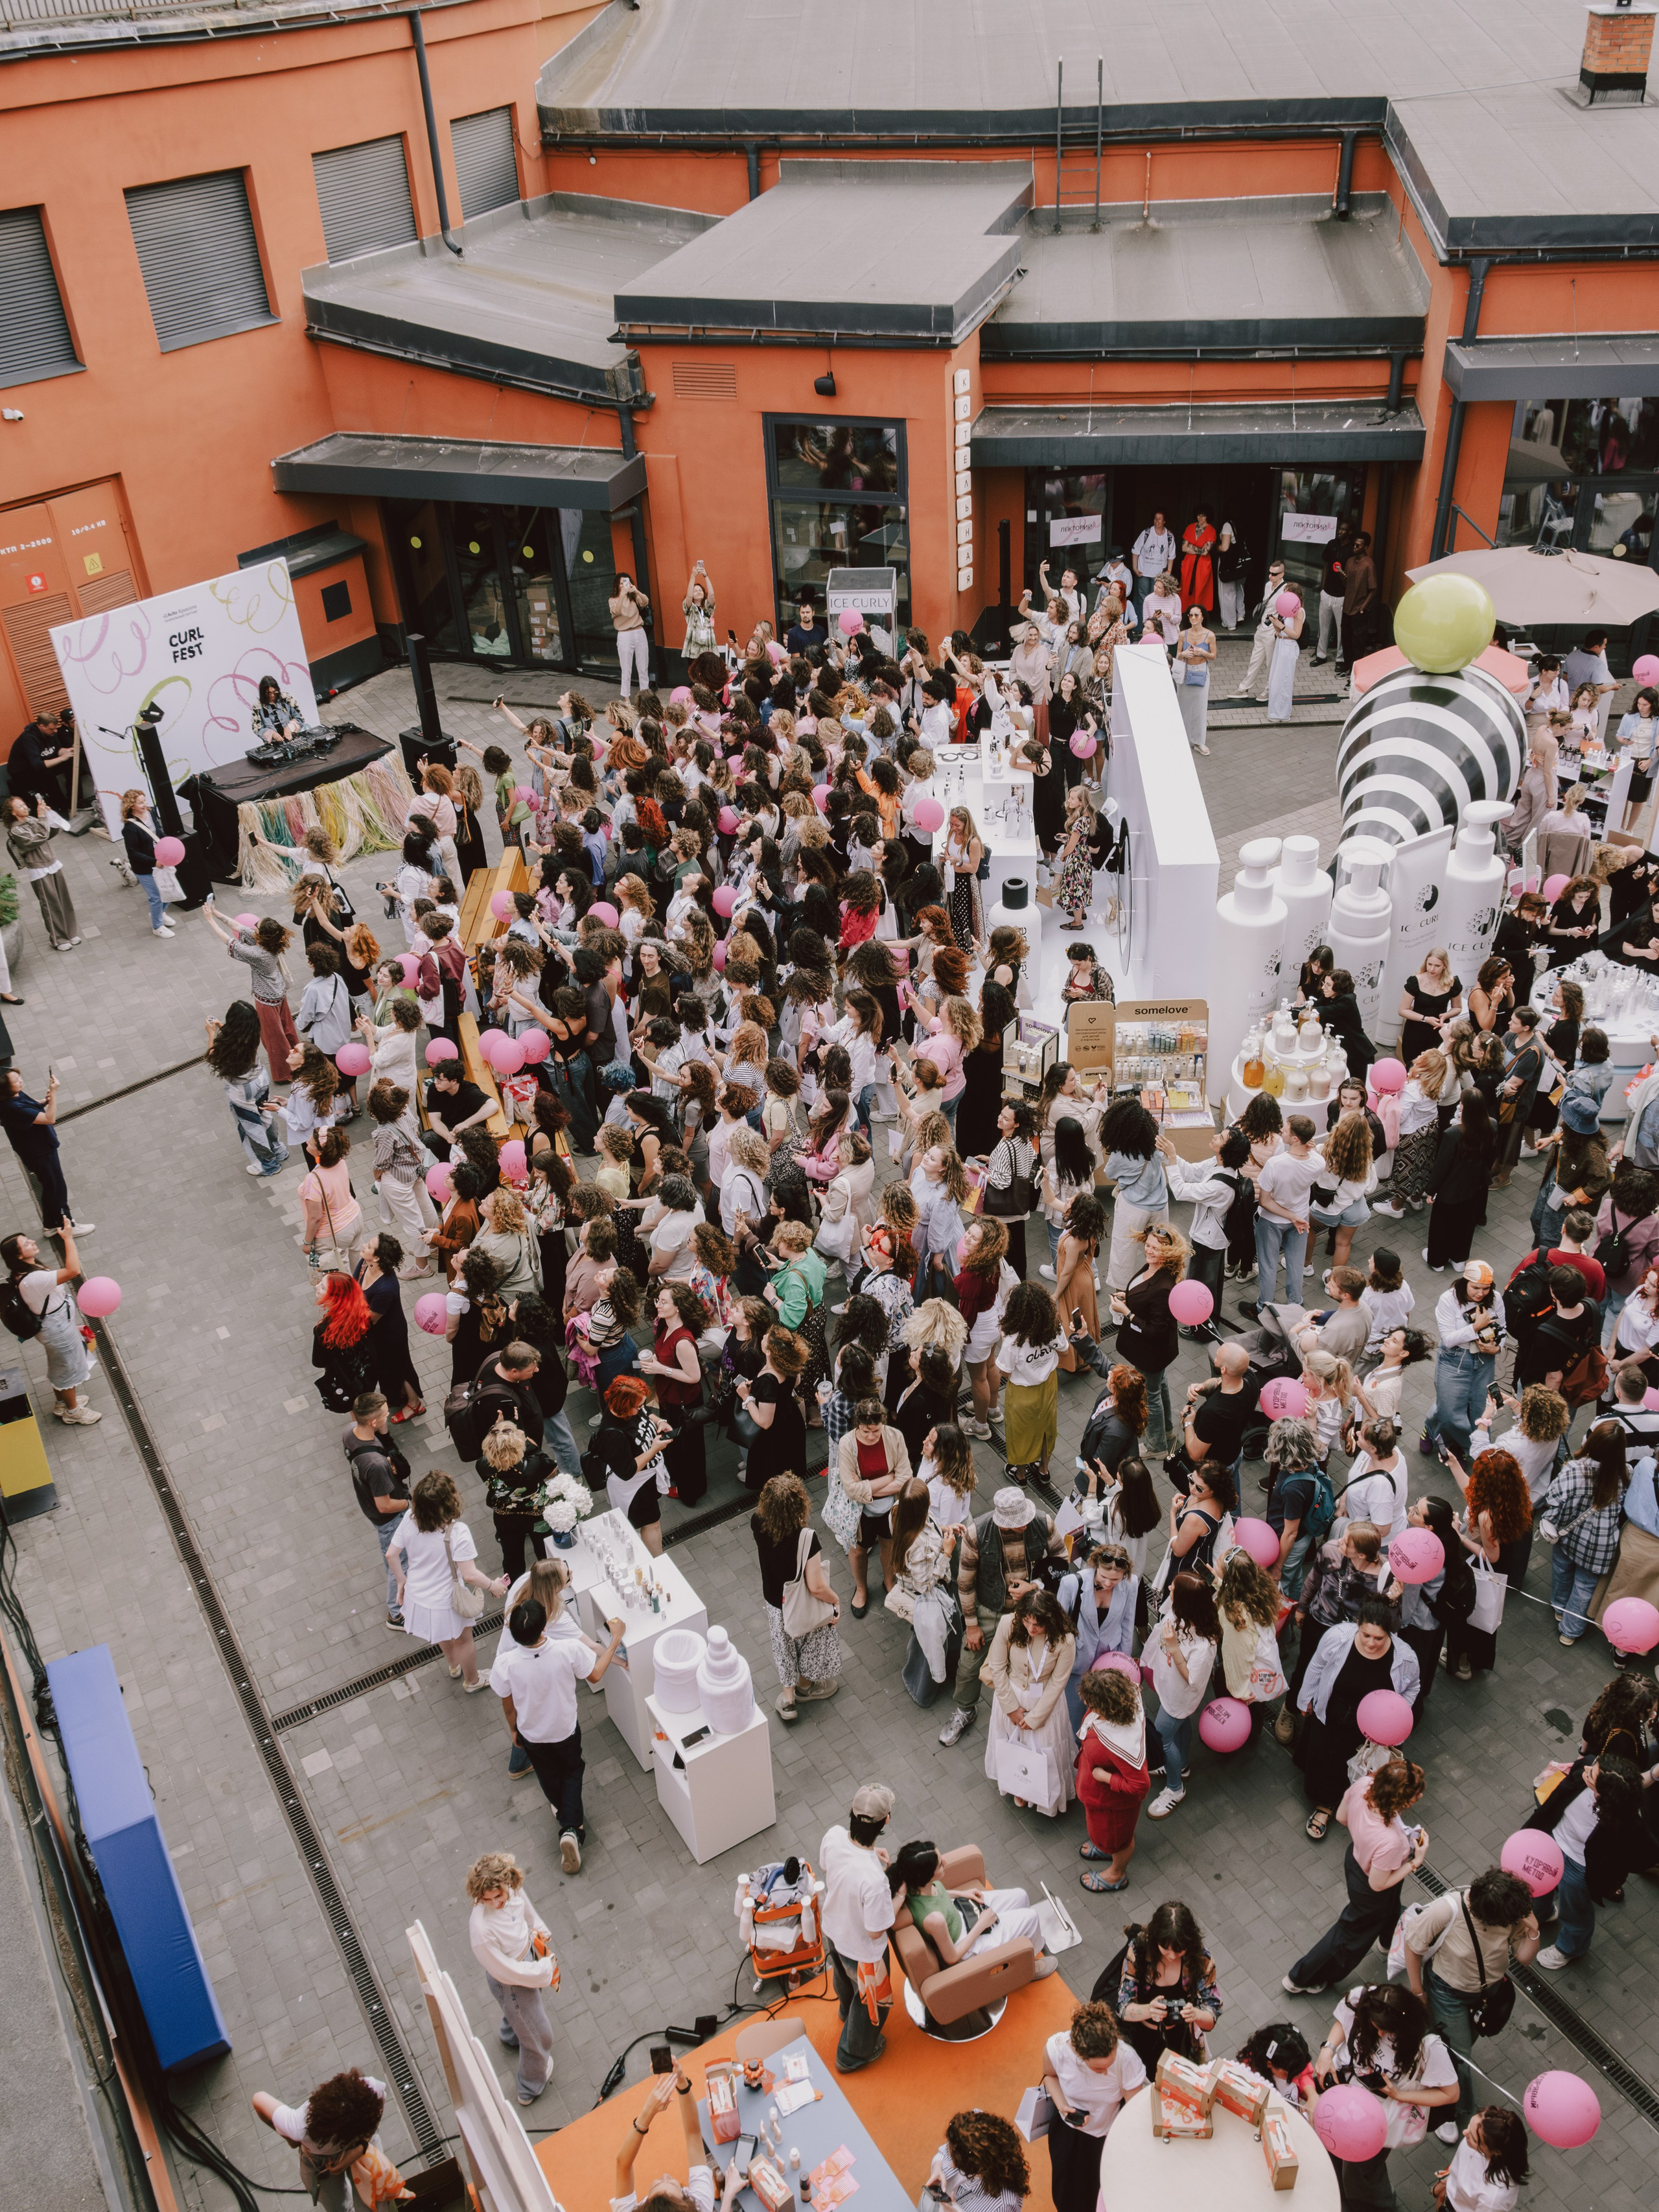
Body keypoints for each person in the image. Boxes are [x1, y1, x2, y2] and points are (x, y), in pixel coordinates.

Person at [1401, 1869, 1540, 2140]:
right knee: (1462, 2057)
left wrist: (1533, 1931)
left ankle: (1438, 2067)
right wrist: (1418, 1992)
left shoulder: (1511, 1911)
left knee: (1459, 2047)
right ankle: (1456, 2112)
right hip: (1447, 1993)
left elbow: (1524, 1958)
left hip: (1487, 1993)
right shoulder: (1447, 1911)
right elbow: (1413, 1945)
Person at [491, 1594, 623, 1876]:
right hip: (564, 1730)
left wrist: (514, 1730)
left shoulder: (506, 1664)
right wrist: (614, 1642)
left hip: (532, 1735)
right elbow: (596, 1675)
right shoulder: (568, 1650)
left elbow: (507, 1702)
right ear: (543, 1629)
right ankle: (571, 1829)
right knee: (573, 1771)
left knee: (547, 1775)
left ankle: (565, 1815)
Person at [1283, 1757, 1429, 1995]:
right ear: (1398, 1800)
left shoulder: (1363, 1786)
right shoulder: (1390, 1841)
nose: (1419, 1797)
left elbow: (1342, 1817)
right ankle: (1300, 1977)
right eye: (1414, 1796)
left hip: (1356, 1861)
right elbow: (1378, 1884)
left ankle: (1387, 1941)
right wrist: (1415, 1862)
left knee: (1392, 1907)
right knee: (1349, 1937)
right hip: (1372, 1889)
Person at [1308, 1984, 1459, 2206]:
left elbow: (1451, 2094)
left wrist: (1399, 2095)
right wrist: (1327, 2050)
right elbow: (1345, 2018)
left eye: (1387, 2031)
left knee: (1361, 2171)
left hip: (1375, 2117)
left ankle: (1376, 2204)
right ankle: (1338, 2190)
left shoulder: (1427, 2045)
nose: (1379, 2034)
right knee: (1331, 2147)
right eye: (1375, 2026)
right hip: (1342, 2094)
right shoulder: (1365, 1997)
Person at [940, 1486, 1056, 1749]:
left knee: (1032, 1668)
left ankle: (1031, 1715)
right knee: (969, 1664)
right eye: (1018, 1524)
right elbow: (965, 1584)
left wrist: (1035, 1585)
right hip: (989, 1611)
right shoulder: (976, 1534)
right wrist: (971, 1626)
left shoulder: (1043, 1523)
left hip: (1030, 1612)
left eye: (1025, 1520)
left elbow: (1061, 1559)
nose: (1025, 1526)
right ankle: (965, 1710)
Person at [1295, 1599, 1421, 1841]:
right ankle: (1324, 1805)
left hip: (1370, 1730)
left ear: (1390, 1635)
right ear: (1357, 1625)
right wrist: (1305, 1699)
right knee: (1324, 1760)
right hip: (1331, 1714)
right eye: (1366, 1636)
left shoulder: (1405, 1658)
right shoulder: (1337, 1637)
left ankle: (1354, 1803)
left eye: (1379, 1638)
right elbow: (1316, 1667)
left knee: (1362, 1770)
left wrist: (1396, 1713)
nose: (1371, 1643)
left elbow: (1413, 1687)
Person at [388, 1470, 507, 1690]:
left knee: (443, 1635)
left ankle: (454, 1666)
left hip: (419, 1598)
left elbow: (391, 1555)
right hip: (447, 1602)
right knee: (463, 1640)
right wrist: (494, 1586)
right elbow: (470, 1574)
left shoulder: (410, 1519)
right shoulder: (458, 1532)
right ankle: (472, 1680)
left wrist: (401, 1581)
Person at [1527, 1752, 1648, 1968]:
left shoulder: (1624, 1822)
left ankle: (1570, 1949)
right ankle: (1542, 1914)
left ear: (1604, 1792)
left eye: (1591, 1775)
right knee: (1539, 1885)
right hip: (1551, 1841)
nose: (1585, 1770)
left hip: (1579, 1868)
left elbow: (1639, 1856)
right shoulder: (1587, 1765)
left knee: (1575, 1913)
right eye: (1592, 1767)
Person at [465, 1850, 558, 2107]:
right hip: (512, 1982)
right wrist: (541, 1972)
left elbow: (525, 1908)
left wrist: (538, 1929)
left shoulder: (512, 1890)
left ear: (508, 1882)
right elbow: (504, 1971)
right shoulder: (482, 1930)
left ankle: (511, 2035)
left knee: (521, 2017)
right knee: (541, 2035)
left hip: (526, 1958)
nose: (496, 1902)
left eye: (499, 1895)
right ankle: (529, 2087)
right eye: (488, 1899)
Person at [1040, 1999, 1147, 2212]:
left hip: (1108, 2138)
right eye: (1099, 2070)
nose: (1106, 2073)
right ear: (1079, 2055)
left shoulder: (1126, 2059)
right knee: (1068, 2195)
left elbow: (1133, 2111)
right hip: (1069, 2135)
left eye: (1110, 2063)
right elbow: (1049, 2077)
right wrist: (1062, 2106)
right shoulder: (1057, 2049)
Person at [751, 1471, 842, 1721]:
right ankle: (806, 1687)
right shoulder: (807, 1538)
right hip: (800, 1604)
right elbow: (815, 1586)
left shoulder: (757, 1522)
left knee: (784, 1648)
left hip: (774, 1602)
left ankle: (788, 1700)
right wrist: (835, 1600)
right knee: (809, 1643)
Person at [820, 1784, 898, 2073]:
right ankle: (853, 2054)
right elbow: (876, 1931)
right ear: (885, 1821)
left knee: (842, 1977)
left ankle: (844, 2012)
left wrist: (871, 1854)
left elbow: (831, 1864)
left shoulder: (833, 1835)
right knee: (871, 2005)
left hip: (832, 1929)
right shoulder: (876, 1882)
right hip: (864, 1953)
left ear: (852, 1814)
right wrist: (896, 1895)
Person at [982, 1587, 1077, 1817]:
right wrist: (1011, 1708)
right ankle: (1019, 1785)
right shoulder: (1009, 1623)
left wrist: (1035, 1718)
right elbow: (997, 1667)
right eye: (1027, 1622)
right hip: (1011, 1695)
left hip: (1045, 1702)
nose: (1031, 1629)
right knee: (1013, 1742)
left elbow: (1057, 1684)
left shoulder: (1066, 1640)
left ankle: (1044, 1792)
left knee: (1046, 1746)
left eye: (1038, 1625)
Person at [250, 2069, 395, 2212]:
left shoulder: (366, 2090)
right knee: (338, 2209)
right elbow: (259, 2099)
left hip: (363, 2147)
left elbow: (378, 2111)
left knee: (375, 2205)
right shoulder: (298, 2126)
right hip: (322, 2164)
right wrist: (290, 2138)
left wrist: (358, 2149)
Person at [1, 1225, 99, 1424]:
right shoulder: (34, 1279)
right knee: (69, 1370)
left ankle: (63, 1403)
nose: (33, 1242)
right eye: (27, 1244)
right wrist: (68, 1239)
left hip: (57, 1326)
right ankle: (73, 1412)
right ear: (19, 1256)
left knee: (60, 1367)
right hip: (57, 1330)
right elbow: (73, 1270)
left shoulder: (25, 1271)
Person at [1541, 1423, 1628, 1645]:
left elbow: (1552, 1497)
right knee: (1585, 1587)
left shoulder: (1575, 1469)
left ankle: (1559, 1608)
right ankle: (1570, 1631)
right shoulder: (1626, 1473)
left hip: (1569, 1535)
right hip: (1601, 1546)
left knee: (1562, 1571)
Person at [1109, 1902, 1223, 2069]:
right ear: (1155, 1939)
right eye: (1165, 1948)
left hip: (1179, 2039)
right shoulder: (1140, 1951)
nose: (1172, 1956)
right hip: (1138, 2036)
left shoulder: (1200, 1959)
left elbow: (1212, 2016)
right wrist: (1149, 2010)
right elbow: (1123, 2008)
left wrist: (1196, 2014)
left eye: (1179, 1950)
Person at [608, 2057, 731, 2212]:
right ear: (686, 2203)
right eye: (672, 2183)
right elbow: (693, 2134)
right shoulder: (700, 2204)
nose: (666, 2175)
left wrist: (648, 2112)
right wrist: (681, 2084)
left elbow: (623, 2164)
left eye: (657, 2184)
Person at [1145, 1571, 1219, 1820]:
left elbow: (1193, 1679)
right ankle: (1183, 1765)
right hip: (1168, 1689)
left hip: (1179, 1698)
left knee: (1161, 1739)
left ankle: (1175, 1788)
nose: (1169, 1589)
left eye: (1174, 1589)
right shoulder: (1180, 1613)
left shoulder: (1205, 1643)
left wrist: (1175, 1648)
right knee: (1180, 1727)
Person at [1076, 1662, 1150, 1894]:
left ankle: (1117, 1873)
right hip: (1098, 1798)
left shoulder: (1120, 1741)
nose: (1087, 1704)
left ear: (1107, 1705)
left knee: (1121, 1841)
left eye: (1091, 1702)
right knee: (1105, 1837)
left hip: (1113, 1808)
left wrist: (1106, 1777)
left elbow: (1140, 1786)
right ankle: (1104, 1846)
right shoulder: (1122, 1702)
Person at [343, 1390, 411, 1629]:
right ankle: (396, 1614)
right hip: (390, 1519)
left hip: (370, 1507)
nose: (388, 1417)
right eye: (384, 1415)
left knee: (396, 1559)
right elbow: (385, 1505)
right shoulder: (376, 1464)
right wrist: (409, 1504)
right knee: (397, 1564)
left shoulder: (349, 1432)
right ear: (373, 1422)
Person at [0, 1069, 89, 1239]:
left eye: (19, 1077)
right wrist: (54, 1093)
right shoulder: (11, 1108)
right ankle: (67, 1226)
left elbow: (32, 1106)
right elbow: (49, 1119)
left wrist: (45, 1101)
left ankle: (50, 1225)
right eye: (16, 1080)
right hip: (39, 1152)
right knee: (57, 1188)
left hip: (39, 1149)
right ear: (5, 1089)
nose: (21, 1081)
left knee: (50, 1186)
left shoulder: (13, 1096)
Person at [919, 2109, 1035, 2212]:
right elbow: (944, 2151)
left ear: (980, 2167)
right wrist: (937, 2168)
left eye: (958, 2163)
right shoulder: (970, 2133)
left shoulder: (1003, 2205)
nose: (952, 2165)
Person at [3, 795, 79, 951]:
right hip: (39, 869)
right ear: (13, 813)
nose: (24, 807)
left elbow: (49, 834)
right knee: (51, 905)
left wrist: (50, 818)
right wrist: (43, 817)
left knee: (65, 900)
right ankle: (58, 939)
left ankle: (70, 933)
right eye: (20, 806)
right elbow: (38, 838)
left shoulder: (31, 820)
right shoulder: (16, 830)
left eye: (24, 804)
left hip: (52, 862)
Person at [1437, 2108, 1530, 2212]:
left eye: (1473, 2138)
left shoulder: (1495, 2197)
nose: (1464, 2132)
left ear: (1496, 2151)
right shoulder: (1479, 2133)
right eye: (1469, 2126)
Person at [119, 788, 176, 938]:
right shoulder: (130, 828)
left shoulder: (150, 814)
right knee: (156, 896)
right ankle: (157, 927)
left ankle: (160, 913)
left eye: (145, 801)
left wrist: (168, 843)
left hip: (161, 860)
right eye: (140, 803)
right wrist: (154, 862)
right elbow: (133, 853)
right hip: (145, 867)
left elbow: (158, 833)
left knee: (169, 890)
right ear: (132, 806)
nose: (145, 805)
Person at [1175, 603, 1216, 755]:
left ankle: (1199, 742)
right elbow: (1178, 655)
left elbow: (1213, 656)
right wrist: (1184, 654)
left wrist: (1202, 653)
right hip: (1185, 672)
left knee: (1200, 708)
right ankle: (1184, 739)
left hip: (1201, 672)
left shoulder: (1210, 635)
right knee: (1184, 706)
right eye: (1191, 615)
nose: (1193, 618)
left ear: (1202, 617)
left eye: (1196, 615)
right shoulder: (1183, 634)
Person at [1265, 588, 1304, 722]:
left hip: (1289, 647)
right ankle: (1275, 711)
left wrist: (1281, 626)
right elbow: (1280, 630)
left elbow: (1296, 634)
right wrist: (1275, 624)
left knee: (1284, 680)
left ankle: (1282, 714)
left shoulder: (1299, 612)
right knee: (1275, 679)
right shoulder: (1286, 611)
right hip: (1280, 645)